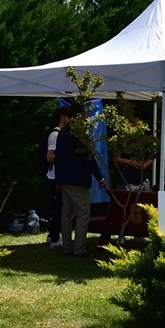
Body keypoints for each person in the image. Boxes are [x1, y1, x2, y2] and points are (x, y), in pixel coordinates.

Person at [55, 104, 108, 257]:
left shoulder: (63, 133)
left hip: (65, 179)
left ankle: (67, 247)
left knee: (66, 214)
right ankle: (79, 249)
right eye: (84, 115)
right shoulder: (80, 134)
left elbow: (59, 159)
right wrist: (100, 178)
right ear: (80, 116)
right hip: (78, 179)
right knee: (83, 214)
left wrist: (58, 180)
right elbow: (89, 158)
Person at [43, 106, 72, 248]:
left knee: (59, 207)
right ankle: (54, 238)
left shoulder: (61, 134)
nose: (71, 120)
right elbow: (49, 156)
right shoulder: (56, 134)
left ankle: (52, 236)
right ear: (62, 117)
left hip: (57, 175)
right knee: (59, 208)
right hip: (54, 176)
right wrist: (65, 156)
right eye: (69, 117)